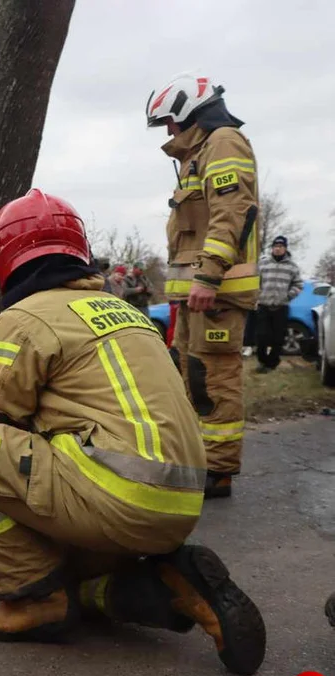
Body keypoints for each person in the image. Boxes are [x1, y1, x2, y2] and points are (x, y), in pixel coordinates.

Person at [0, 189, 265, 675]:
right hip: (181, 504)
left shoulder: (24, 317)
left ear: (8, 257)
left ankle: (32, 600)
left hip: (113, 495)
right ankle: (162, 589)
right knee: (78, 573)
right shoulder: (130, 314)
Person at [146, 72, 260, 499]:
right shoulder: (199, 153)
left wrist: (210, 274)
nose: (169, 132)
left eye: (170, 123)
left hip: (218, 290)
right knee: (193, 377)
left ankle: (218, 471)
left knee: (215, 379)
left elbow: (231, 213)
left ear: (187, 113)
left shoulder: (224, 142)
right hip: (198, 292)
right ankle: (200, 460)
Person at [254, 235, 303, 372]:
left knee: (278, 338)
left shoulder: (292, 267)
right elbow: (255, 281)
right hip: (264, 304)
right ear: (272, 248)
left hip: (281, 306)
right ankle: (262, 361)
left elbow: (298, 284)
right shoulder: (263, 263)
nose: (277, 249)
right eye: (275, 246)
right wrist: (257, 294)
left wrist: (289, 295)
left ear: (285, 249)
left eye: (280, 247)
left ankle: (272, 363)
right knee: (261, 336)